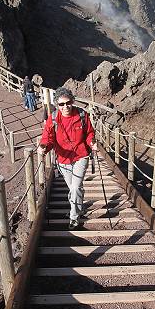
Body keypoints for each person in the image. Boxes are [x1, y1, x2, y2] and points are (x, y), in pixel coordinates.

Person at [37, 87, 98, 229]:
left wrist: (92, 142)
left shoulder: (82, 115)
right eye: (61, 104)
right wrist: (43, 147)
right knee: (74, 189)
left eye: (68, 102)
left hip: (81, 156)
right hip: (63, 160)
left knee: (75, 187)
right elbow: (48, 138)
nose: (65, 106)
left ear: (73, 101)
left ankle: (74, 217)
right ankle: (78, 208)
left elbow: (89, 132)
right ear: (57, 105)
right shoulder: (53, 119)